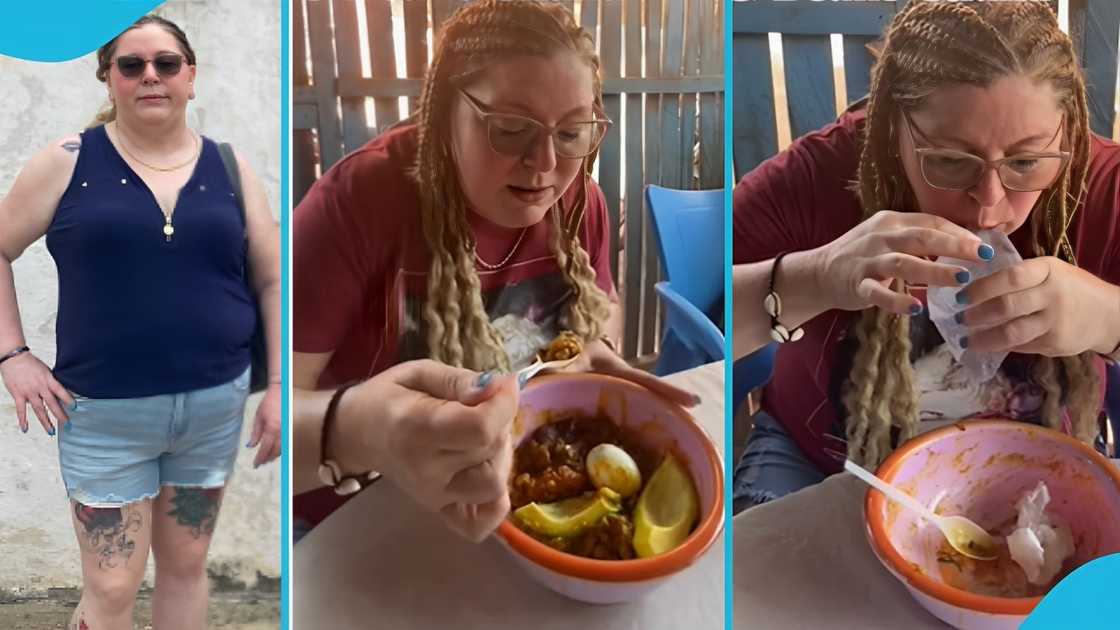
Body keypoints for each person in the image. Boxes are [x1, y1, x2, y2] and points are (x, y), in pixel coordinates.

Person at [293, 0, 698, 541]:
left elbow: (603, 312)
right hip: (355, 528)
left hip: (512, 519)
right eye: (510, 129)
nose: (546, 164)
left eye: (573, 132)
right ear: (442, 115)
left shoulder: (580, 202)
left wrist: (588, 354)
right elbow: (247, 429)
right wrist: (360, 430)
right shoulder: (359, 202)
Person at [731, 1, 1120, 511]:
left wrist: (1110, 320)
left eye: (1026, 161)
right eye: (949, 162)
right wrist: (817, 276)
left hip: (1041, 462)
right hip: (821, 464)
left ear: (1065, 130)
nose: (988, 201)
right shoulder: (819, 173)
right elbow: (703, 326)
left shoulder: (1103, 187)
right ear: (893, 127)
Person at [0, 16, 281, 630]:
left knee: (185, 569)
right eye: (131, 65)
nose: (150, 75)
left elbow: (268, 279)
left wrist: (280, 387)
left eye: (166, 63)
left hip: (212, 407)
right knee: (111, 587)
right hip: (105, 418)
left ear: (191, 77)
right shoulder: (69, 161)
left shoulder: (231, 168)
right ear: (109, 80)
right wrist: (12, 355)